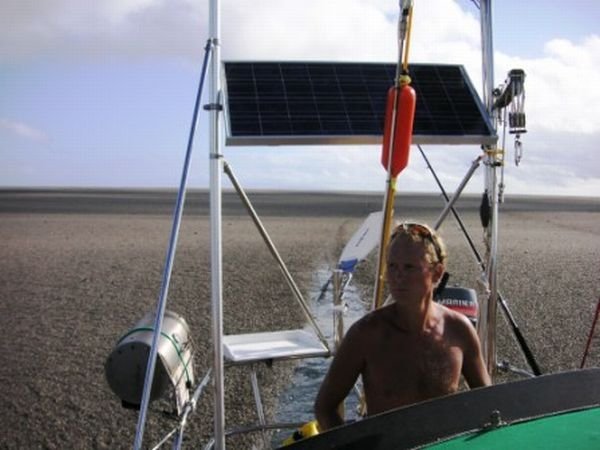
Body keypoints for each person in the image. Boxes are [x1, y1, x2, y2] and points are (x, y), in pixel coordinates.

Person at [314, 222, 491, 431]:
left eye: (409, 267)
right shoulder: (366, 335)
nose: (398, 277)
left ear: (437, 273)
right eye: (392, 266)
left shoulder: (458, 330)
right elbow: (325, 408)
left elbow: (488, 403)